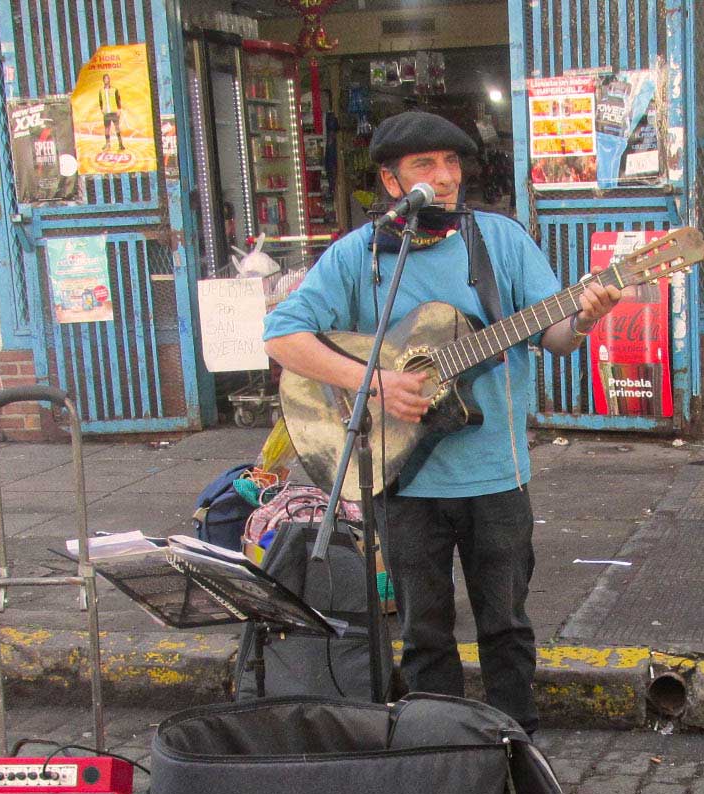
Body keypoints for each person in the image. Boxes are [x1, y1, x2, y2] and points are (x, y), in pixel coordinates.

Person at [263, 111, 623, 734]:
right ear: (391, 181)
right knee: (423, 632)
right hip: (402, 480)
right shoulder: (361, 256)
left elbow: (555, 335)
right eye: (426, 165)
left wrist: (587, 315)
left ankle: (515, 746)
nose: (446, 177)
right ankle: (440, 744)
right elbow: (281, 336)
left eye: (452, 163)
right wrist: (375, 382)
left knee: (505, 626)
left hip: (494, 474)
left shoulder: (500, 241)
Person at [98, 75, 124, 151]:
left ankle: (120, 144)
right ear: (103, 80)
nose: (106, 80)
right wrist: (102, 109)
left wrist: (119, 109)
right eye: (105, 79)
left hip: (114, 112)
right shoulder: (101, 91)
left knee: (117, 128)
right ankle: (108, 144)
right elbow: (100, 101)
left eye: (107, 79)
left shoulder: (114, 89)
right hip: (106, 113)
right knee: (107, 129)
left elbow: (118, 99)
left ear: (109, 80)